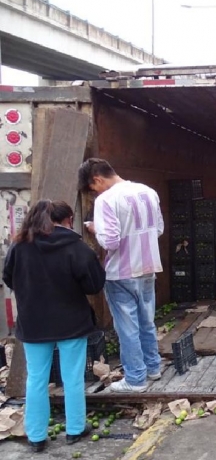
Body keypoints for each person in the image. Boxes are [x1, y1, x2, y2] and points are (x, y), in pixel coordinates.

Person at [3, 200, 105, 452]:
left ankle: (36, 436)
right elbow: (94, 285)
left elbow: (8, 277)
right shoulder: (77, 247)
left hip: (33, 323)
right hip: (72, 322)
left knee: (36, 379)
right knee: (72, 377)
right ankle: (75, 429)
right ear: (68, 219)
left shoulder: (19, 246)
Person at [78, 158, 164, 393]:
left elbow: (111, 241)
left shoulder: (106, 199)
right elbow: (158, 229)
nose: (94, 192)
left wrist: (97, 230)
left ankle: (136, 379)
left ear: (97, 179)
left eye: (93, 187)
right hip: (148, 268)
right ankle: (153, 368)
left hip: (121, 273)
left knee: (127, 328)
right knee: (147, 321)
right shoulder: (148, 192)